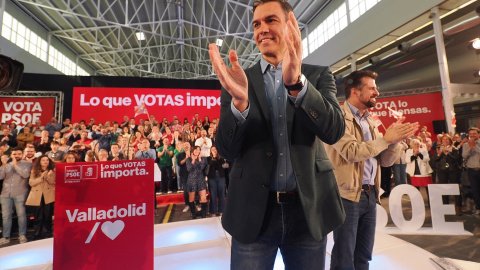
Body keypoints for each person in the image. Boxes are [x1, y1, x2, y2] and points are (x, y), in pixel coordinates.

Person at [208, 0, 346, 268]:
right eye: (257, 24)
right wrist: (239, 105)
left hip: (309, 212)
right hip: (253, 214)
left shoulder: (317, 75)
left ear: (290, 24)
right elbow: (226, 150)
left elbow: (334, 131)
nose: (262, 29)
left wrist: (298, 85)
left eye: (271, 20)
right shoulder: (238, 80)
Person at [324, 70, 418, 269]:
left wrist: (394, 143)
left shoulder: (369, 121)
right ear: (355, 92)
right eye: (372, 88)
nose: (377, 92)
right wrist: (386, 139)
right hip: (346, 196)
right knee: (344, 257)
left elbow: (384, 161)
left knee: (364, 256)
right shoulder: (338, 117)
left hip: (370, 195)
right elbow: (350, 152)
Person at [0, 147, 33, 245]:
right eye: (14, 154)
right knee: (6, 216)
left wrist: (15, 166)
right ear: (11, 155)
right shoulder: (6, 165)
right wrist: (3, 165)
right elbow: (1, 176)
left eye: (19, 154)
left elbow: (25, 175)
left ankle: (22, 235)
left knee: (21, 215)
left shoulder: (28, 164)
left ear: (22, 154)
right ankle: (6, 236)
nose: (16, 156)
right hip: (5, 193)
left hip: (20, 193)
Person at [25, 155, 55, 240]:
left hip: (48, 195)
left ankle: (47, 232)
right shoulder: (35, 170)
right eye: (43, 160)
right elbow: (31, 183)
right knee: (38, 216)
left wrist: (48, 176)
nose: (46, 161)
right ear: (39, 162)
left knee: (47, 215)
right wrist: (41, 177)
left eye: (47, 160)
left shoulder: (52, 171)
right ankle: (37, 233)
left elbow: (53, 182)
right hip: (37, 196)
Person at [432, 134, 462, 215]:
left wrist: (447, 153)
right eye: (443, 140)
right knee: (444, 189)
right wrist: (438, 155)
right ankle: (445, 207)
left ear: (450, 141)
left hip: (453, 171)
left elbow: (456, 159)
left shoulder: (454, 149)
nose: (445, 141)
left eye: (447, 139)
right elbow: (434, 160)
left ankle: (458, 208)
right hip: (442, 171)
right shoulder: (438, 149)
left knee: (456, 188)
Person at [185, 146, 207, 219]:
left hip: (200, 179)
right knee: (192, 198)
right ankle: (193, 213)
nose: (197, 151)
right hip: (192, 179)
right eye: (196, 149)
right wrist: (193, 160)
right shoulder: (188, 159)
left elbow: (202, 167)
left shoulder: (203, 159)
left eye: (199, 150)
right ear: (192, 151)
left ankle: (203, 213)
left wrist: (200, 159)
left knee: (203, 197)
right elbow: (189, 169)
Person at [462, 127, 480, 216]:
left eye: (474, 133)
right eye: (470, 134)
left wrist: (475, 147)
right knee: (475, 191)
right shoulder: (466, 145)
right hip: (471, 171)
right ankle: (478, 208)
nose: (472, 135)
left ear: (478, 134)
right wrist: (469, 148)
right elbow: (464, 156)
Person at [207, 146, 226, 217]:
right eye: (212, 150)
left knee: (221, 194)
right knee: (213, 194)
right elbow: (211, 164)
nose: (214, 151)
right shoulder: (208, 158)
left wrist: (216, 157)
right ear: (210, 151)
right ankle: (213, 211)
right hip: (212, 177)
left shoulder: (221, 158)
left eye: (215, 149)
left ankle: (222, 210)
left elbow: (220, 165)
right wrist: (213, 157)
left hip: (221, 176)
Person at [176, 142, 191, 212]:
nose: (186, 146)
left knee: (195, 190)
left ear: (190, 146)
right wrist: (186, 158)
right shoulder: (180, 155)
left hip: (193, 174)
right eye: (185, 145)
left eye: (187, 144)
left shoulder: (194, 153)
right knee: (185, 190)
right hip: (184, 174)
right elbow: (179, 163)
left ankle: (196, 204)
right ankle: (187, 204)